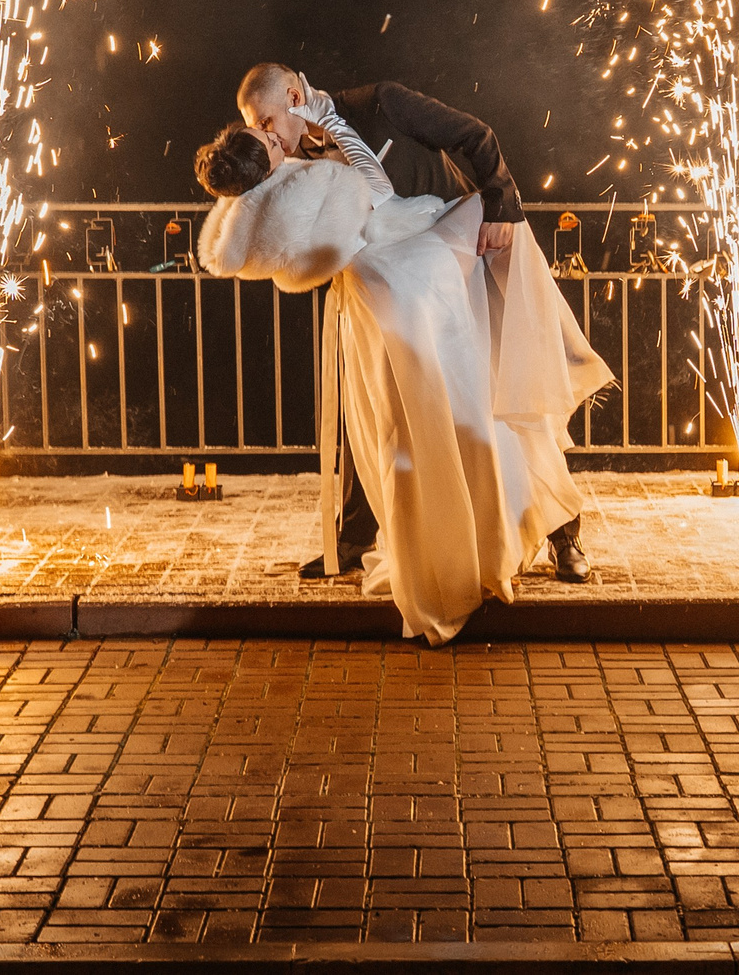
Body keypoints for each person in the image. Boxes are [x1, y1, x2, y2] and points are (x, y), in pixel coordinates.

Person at [195, 94, 600, 643]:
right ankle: (472, 543)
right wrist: (335, 128)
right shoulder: (297, 180)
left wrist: (501, 202)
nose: (273, 135)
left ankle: (522, 532)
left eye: (268, 123)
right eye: (262, 134)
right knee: (451, 411)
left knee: (414, 420)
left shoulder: (268, 194)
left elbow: (469, 137)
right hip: (411, 278)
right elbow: (375, 192)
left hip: (403, 284)